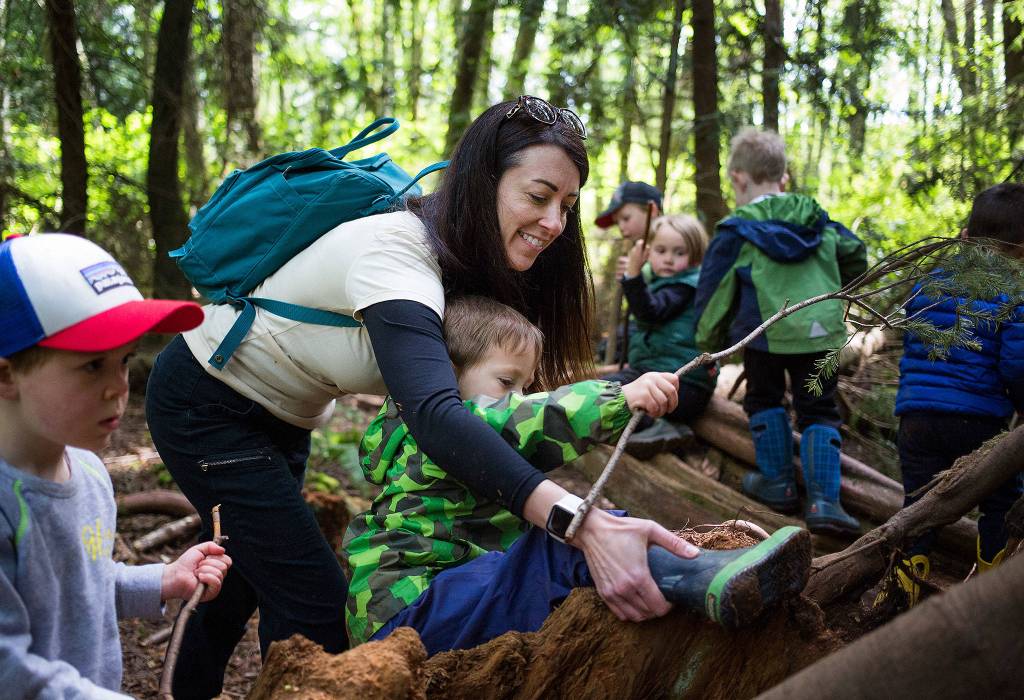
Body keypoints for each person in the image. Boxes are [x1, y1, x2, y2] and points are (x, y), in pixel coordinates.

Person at [145, 96, 691, 698]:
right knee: (311, 599)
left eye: (566, 205)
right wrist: (578, 524)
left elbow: (500, 407)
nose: (555, 223)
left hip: (282, 414)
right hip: (208, 404)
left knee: (245, 576)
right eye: (538, 197)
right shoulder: (398, 255)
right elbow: (436, 416)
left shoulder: (464, 262)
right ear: (483, 183)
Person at [343, 295, 811, 653]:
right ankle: (698, 577)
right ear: (445, 373)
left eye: (524, 387)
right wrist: (620, 398)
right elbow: (528, 420)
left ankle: (690, 566)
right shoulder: (444, 431)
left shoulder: (418, 441)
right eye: (507, 383)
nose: (516, 397)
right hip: (408, 617)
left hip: (435, 607)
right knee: (560, 543)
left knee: (583, 531)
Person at [0, 233, 231, 699]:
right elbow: (8, 667)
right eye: (92, 366)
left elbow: (81, 587)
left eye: (124, 361)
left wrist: (162, 580)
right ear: (7, 375)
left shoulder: (87, 473)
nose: (119, 388)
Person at [694, 127, 868, 536]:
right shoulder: (818, 220)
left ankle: (778, 482)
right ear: (783, 177)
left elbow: (712, 291)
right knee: (819, 410)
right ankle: (825, 501)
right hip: (818, 329)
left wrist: (708, 347)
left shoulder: (737, 229)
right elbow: (857, 255)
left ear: (738, 178)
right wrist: (831, 287)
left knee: (763, 398)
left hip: (764, 332)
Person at [888, 183, 1024, 605]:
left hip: (916, 417)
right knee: (1000, 500)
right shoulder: (1015, 296)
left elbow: (916, 341)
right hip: (979, 420)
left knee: (918, 504)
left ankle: (901, 592)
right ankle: (988, 593)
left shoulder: (928, 283)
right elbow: (1016, 365)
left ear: (964, 237)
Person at [602, 215, 717, 459]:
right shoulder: (667, 282)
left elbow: (650, 311)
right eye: (661, 250)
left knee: (609, 396)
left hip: (680, 385)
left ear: (695, 255)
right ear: (648, 253)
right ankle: (661, 426)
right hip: (668, 380)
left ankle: (657, 427)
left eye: (679, 252)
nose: (668, 259)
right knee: (606, 390)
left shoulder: (685, 286)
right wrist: (634, 277)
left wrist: (633, 277)